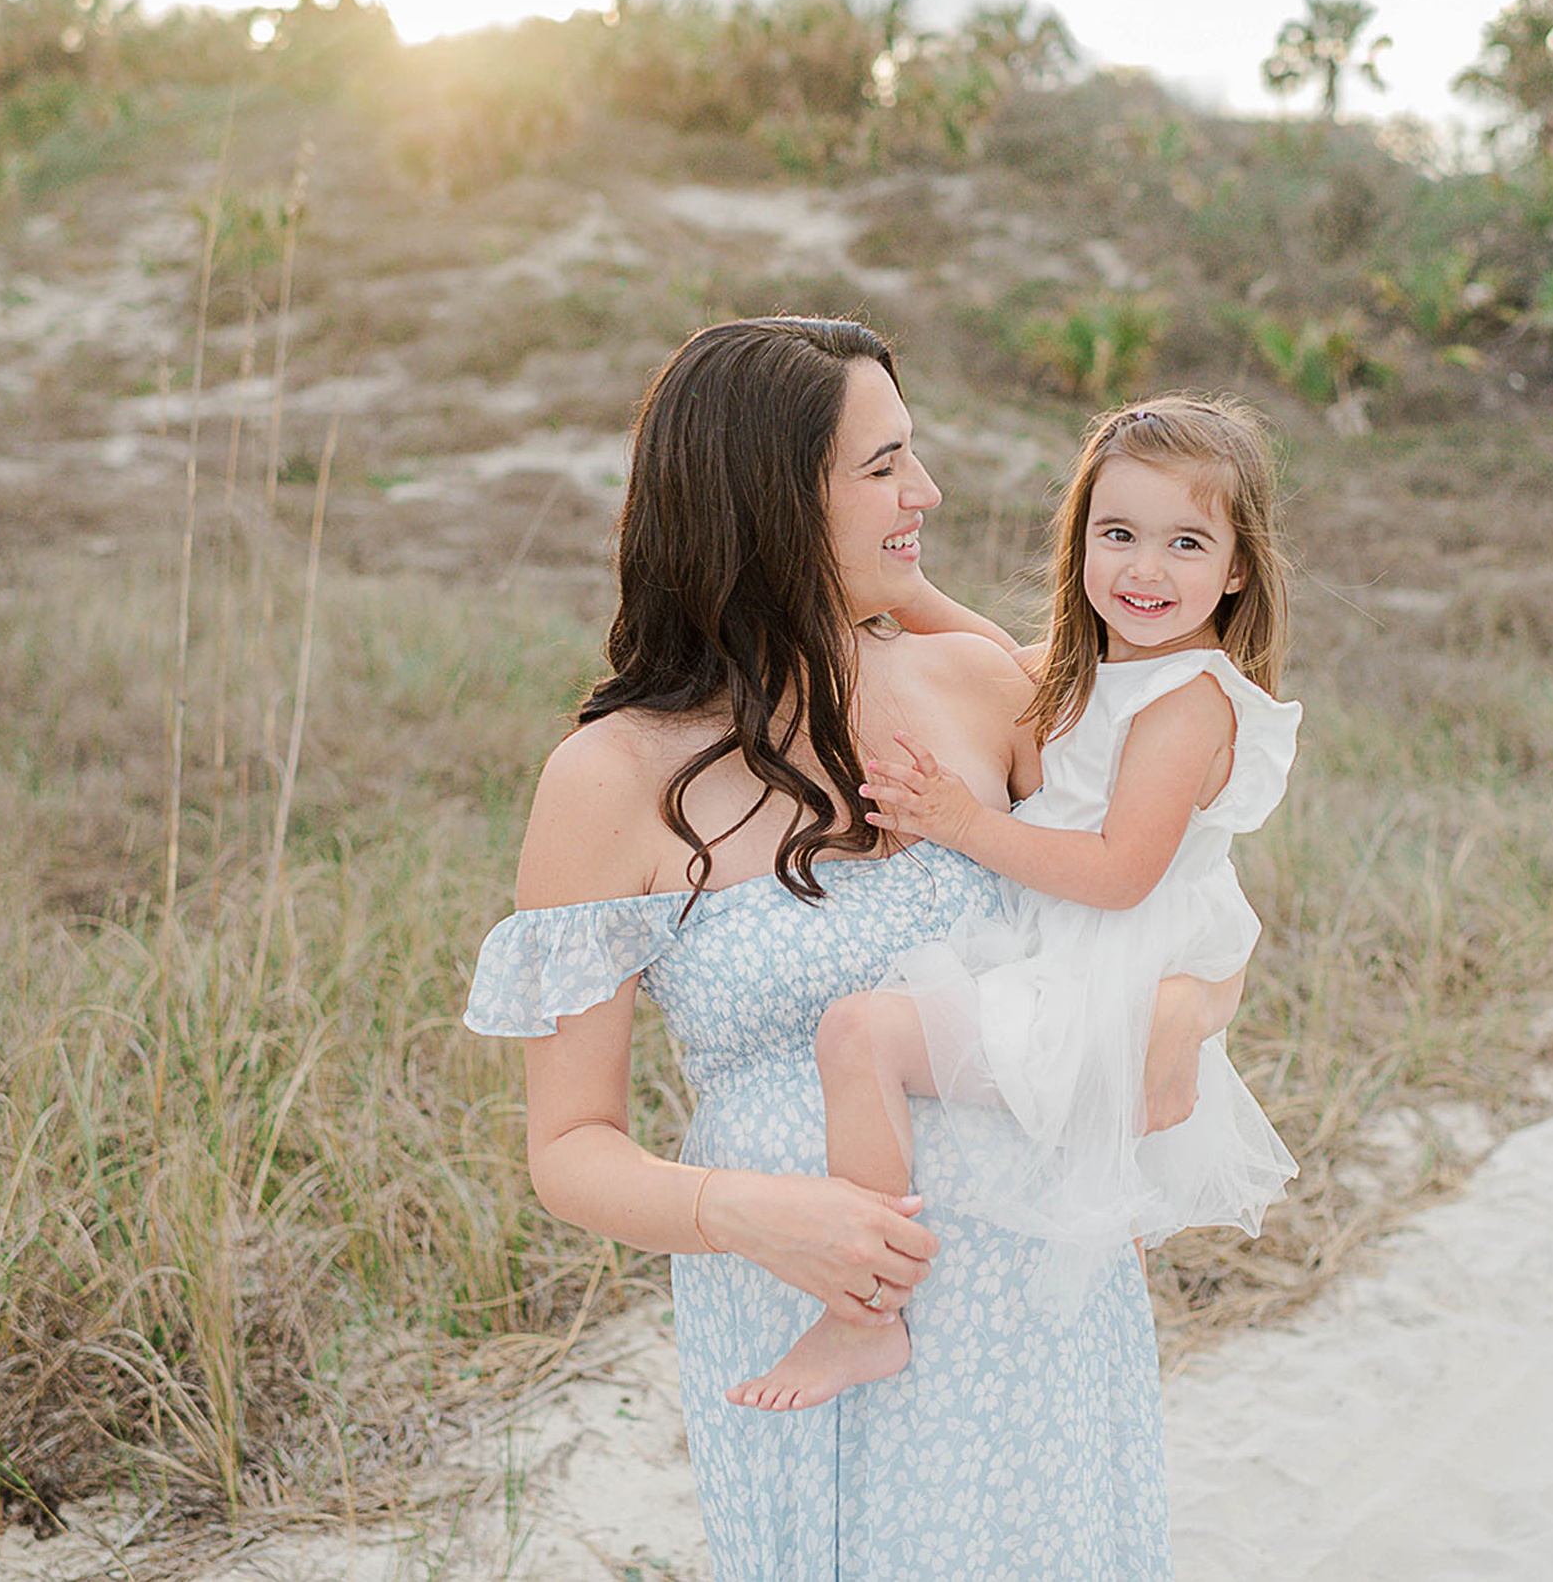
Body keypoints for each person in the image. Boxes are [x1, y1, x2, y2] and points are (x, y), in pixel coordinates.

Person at [462, 318, 1242, 1579]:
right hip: (806, 1321)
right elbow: (569, 1152)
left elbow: (1166, 901)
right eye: (882, 465)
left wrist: (1191, 1012)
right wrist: (751, 1212)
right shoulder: (610, 778)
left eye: (912, 454)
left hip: (1045, 1315)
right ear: (770, 499)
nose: (923, 493)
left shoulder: (980, 685)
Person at [730, 394, 1301, 1413]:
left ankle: (864, 1314)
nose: (1144, 569)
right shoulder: (1096, 672)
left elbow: (1122, 870)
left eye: (1185, 543)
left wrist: (958, 820)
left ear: (1238, 567)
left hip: (1105, 983)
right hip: (1076, 967)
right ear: (1078, 536)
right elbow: (984, 651)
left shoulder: (1188, 701)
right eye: (1116, 534)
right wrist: (872, 575)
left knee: (861, 1036)